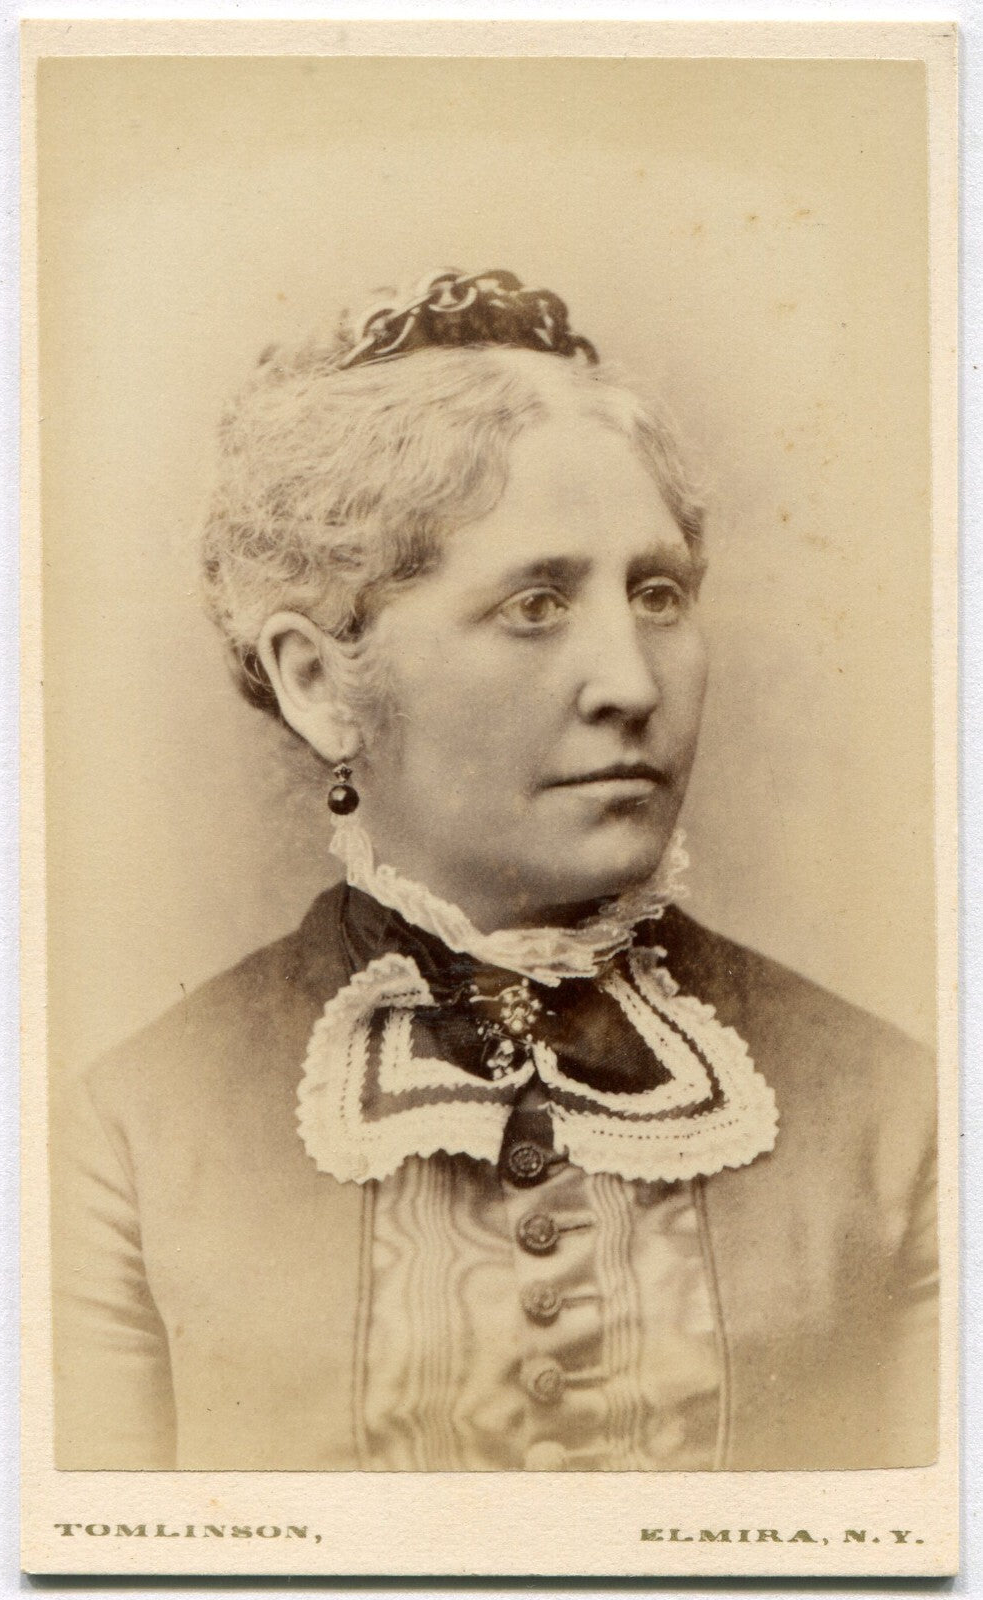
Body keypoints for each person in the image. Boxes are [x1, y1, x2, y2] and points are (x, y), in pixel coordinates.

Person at [52, 268, 937, 1473]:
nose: (629, 682)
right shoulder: (133, 1135)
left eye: (658, 594)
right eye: (534, 604)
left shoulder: (896, 1117)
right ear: (319, 683)